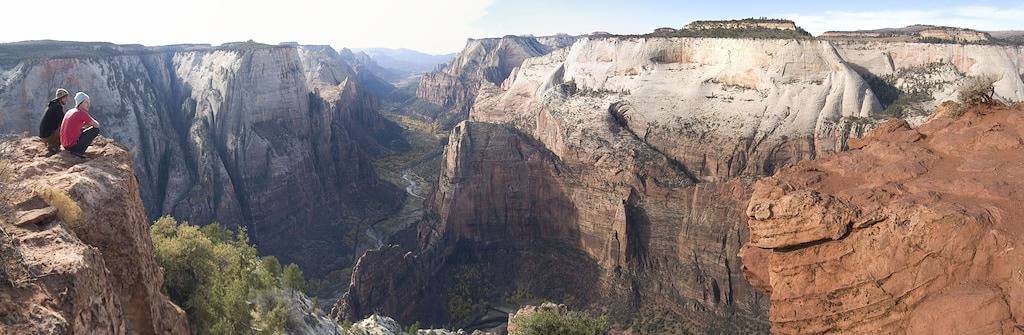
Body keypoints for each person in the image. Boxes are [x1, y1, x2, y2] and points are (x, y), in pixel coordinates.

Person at [60, 92, 101, 158]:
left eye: (88, 102)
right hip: (72, 147)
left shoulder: (70, 111)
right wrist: (91, 120)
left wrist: (86, 124)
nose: (88, 104)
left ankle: (76, 148)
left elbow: (76, 126)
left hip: (65, 145)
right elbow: (97, 125)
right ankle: (79, 152)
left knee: (83, 129)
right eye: (86, 102)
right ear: (80, 103)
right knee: (96, 130)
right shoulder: (81, 113)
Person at [38, 88, 70, 155]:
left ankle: (53, 145)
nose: (67, 100)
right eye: (65, 98)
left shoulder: (53, 105)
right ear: (61, 98)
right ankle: (53, 146)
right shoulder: (57, 107)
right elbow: (63, 122)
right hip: (48, 136)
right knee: (64, 127)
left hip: (44, 135)